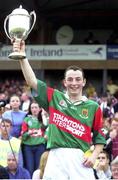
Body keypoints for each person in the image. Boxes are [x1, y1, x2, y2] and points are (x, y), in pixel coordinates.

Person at [13, 40, 106, 180]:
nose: (74, 83)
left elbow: (99, 137)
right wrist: (22, 57)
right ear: (65, 82)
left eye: (77, 79)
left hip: (81, 158)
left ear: (84, 82)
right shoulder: (55, 97)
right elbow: (32, 81)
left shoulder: (94, 107)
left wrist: (94, 156)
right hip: (56, 156)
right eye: (70, 79)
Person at [21, 101, 47, 176]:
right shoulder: (26, 120)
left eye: (36, 107)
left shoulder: (43, 119)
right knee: (30, 168)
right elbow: (23, 135)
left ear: (39, 109)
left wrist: (43, 115)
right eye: (32, 107)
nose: (34, 109)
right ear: (30, 109)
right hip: (28, 147)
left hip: (40, 146)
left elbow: (46, 126)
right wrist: (28, 133)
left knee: (39, 169)